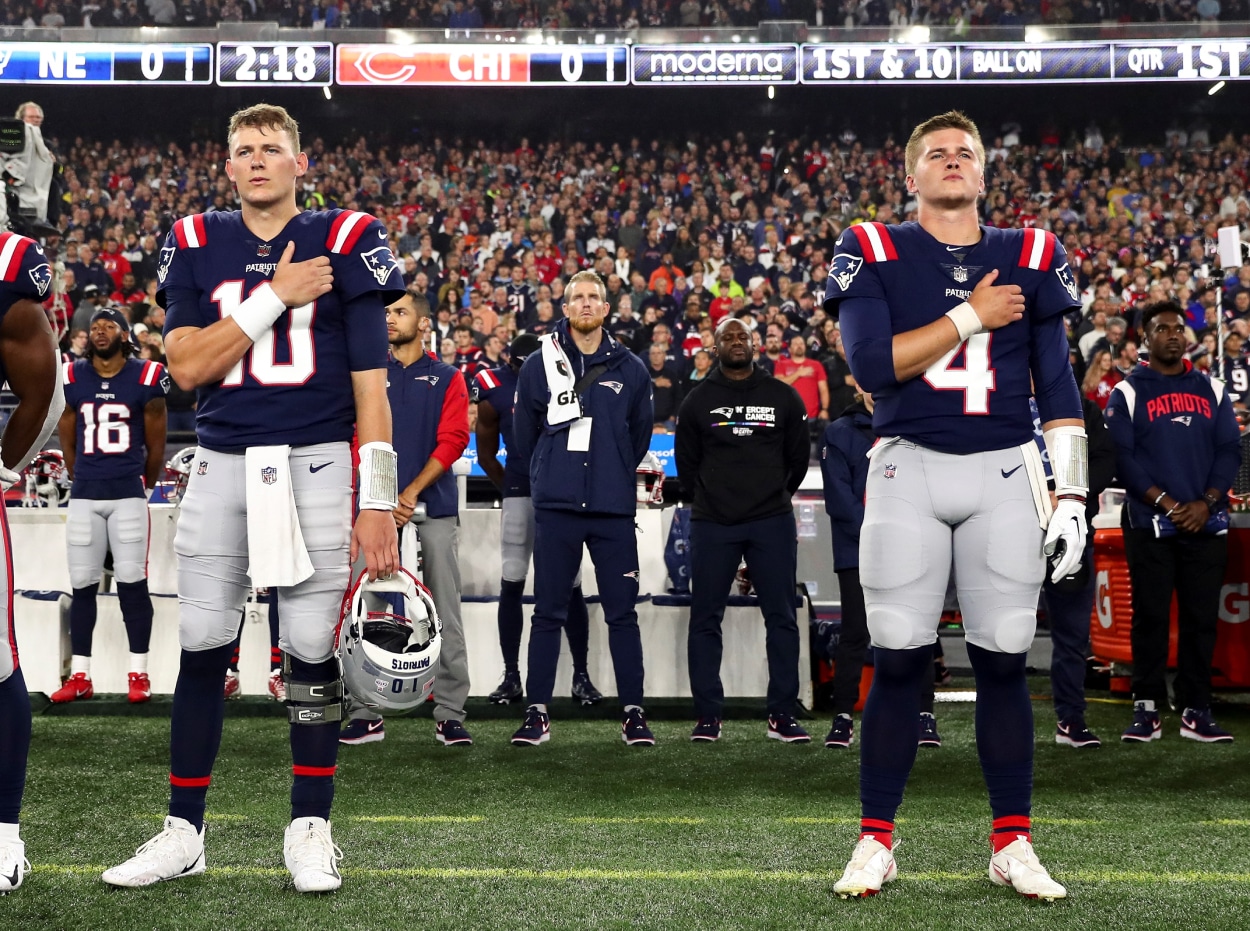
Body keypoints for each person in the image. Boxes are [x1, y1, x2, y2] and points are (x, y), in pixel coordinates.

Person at [102, 104, 402, 894]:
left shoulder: (347, 236)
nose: (259, 160)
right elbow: (188, 364)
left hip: (315, 464)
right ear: (227, 166)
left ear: (302, 163)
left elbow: (373, 390)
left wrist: (378, 501)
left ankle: (310, 826)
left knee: (309, 654)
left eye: (274, 148)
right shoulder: (196, 239)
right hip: (223, 462)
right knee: (202, 644)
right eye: (245, 150)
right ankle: (183, 830)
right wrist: (273, 293)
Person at [824, 111, 1086, 901]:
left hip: (1007, 470)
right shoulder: (871, 244)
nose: (950, 161)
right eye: (934, 153)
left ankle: (1012, 840)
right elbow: (873, 364)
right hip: (908, 466)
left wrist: (1070, 490)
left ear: (982, 173)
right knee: (897, 660)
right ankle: (876, 839)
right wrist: (972, 312)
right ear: (911, 176)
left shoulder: (1034, 252)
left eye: (963, 153)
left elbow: (1059, 383)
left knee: (1005, 661)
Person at [510, 270, 654, 746]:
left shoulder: (631, 368)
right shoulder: (539, 363)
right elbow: (525, 438)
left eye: (595, 297)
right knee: (547, 612)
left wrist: (610, 475)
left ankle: (633, 713)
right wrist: (554, 478)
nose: (587, 304)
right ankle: (536, 712)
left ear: (607, 309)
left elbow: (638, 438)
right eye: (578, 298)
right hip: (557, 508)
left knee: (622, 614)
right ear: (565, 308)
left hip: (612, 511)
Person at [339, 291, 472, 747]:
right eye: (386, 313)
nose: (390, 319)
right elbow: (356, 438)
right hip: (377, 510)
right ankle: (364, 709)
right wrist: (381, 499)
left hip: (431, 506)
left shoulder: (448, 377)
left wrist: (410, 492)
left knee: (445, 610)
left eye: (400, 312)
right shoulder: (367, 377)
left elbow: (454, 440)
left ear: (424, 322)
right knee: (363, 607)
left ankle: (450, 711)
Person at [1105, 301, 1241, 744]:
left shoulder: (1213, 388)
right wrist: (1164, 501)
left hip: (1206, 520)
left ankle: (1195, 708)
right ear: (1145, 337)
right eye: (1162, 329)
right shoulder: (1128, 391)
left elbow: (1229, 451)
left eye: (1178, 328)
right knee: (1151, 616)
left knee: (1202, 619)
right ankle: (1146, 707)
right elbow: (1121, 459)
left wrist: (1206, 501)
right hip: (1149, 522)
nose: (1173, 335)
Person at [675, 317, 811, 743]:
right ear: (714, 349)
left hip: (770, 519)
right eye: (727, 338)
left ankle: (782, 715)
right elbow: (687, 465)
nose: (736, 342)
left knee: (783, 618)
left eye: (742, 337)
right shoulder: (697, 400)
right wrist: (715, 499)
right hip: (713, 522)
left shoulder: (783, 396)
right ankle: (708, 717)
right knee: (705, 619)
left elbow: (798, 461)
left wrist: (773, 497)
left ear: (754, 345)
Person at [474, 333, 602, 707]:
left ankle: (581, 675)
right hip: (521, 489)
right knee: (512, 577)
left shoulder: (566, 378)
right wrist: (514, 487)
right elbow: (484, 455)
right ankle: (511, 675)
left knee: (572, 583)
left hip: (559, 493)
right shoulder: (494, 386)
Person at [53, 307, 168, 705]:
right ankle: (81, 675)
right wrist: (82, 473)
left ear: (124, 334)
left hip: (127, 495)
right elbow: (67, 436)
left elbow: (157, 445)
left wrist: (143, 483)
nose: (99, 332)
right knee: (82, 586)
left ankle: (139, 672)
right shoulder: (73, 376)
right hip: (86, 494)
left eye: (108, 326)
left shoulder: (146, 375)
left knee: (133, 585)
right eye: (94, 327)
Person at [819, 390, 944, 751]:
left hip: (910, 547)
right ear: (857, 385)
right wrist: (880, 537)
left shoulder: (913, 427)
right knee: (855, 632)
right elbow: (839, 498)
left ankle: (924, 715)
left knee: (918, 631)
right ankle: (843, 717)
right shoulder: (839, 432)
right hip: (860, 550)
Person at [0, 230, 66, 893]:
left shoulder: (8, 265)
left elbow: (45, 392)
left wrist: (1, 467)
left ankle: (3, 834)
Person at [1041, 392, 1118, 748]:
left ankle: (1071, 718)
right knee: (1000, 633)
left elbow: (1104, 458)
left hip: (1071, 529)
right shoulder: (1002, 397)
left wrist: (1069, 496)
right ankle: (1000, 719)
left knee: (1072, 635)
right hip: (1009, 527)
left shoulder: (1079, 405)